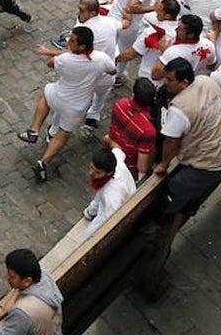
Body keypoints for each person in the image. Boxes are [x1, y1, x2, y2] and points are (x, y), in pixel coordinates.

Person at [20, 27, 117, 183]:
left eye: (71, 41)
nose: (68, 42)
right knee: (63, 133)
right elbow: (112, 71)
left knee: (45, 96)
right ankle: (43, 163)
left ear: (82, 46)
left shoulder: (65, 59)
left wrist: (53, 52)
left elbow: (50, 64)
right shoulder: (102, 58)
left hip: (58, 95)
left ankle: (34, 129)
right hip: (76, 106)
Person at [153, 58, 221, 222]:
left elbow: (171, 142)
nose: (165, 82)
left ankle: (166, 216)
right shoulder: (206, 81)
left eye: (170, 80)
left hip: (211, 164)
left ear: (184, 82)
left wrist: (163, 164)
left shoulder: (180, 108)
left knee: (175, 186)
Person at [0, 249, 63, 335]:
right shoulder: (44, 277)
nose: (6, 277)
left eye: (12, 276)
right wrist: (12, 300)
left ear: (27, 281)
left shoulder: (23, 312)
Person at [81, 145, 138, 240]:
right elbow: (119, 151)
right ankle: (92, 210)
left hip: (116, 209)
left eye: (97, 172)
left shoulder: (111, 197)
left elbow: (108, 222)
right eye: (91, 167)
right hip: (127, 193)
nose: (91, 173)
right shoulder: (116, 161)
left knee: (87, 237)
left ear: (109, 173)